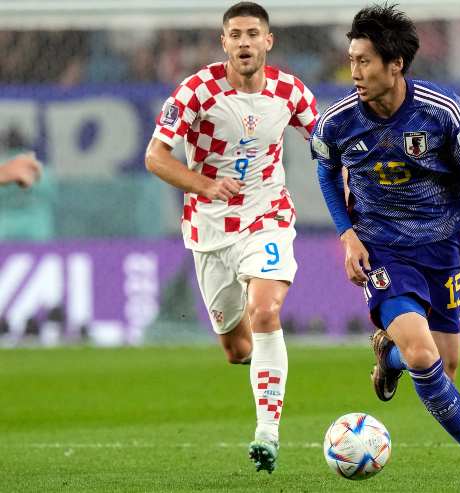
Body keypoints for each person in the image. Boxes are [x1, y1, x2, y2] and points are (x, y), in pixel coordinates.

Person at [311, 4, 460, 488]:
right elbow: (326, 172)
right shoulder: (337, 122)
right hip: (383, 249)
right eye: (351, 60)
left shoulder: (442, 110)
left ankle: (388, 356)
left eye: (364, 61)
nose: (354, 72)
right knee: (423, 355)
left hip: (442, 247)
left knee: (444, 366)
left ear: (395, 64)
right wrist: (347, 235)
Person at [144, 1, 317, 474]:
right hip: (210, 230)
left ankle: (267, 433)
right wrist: (204, 184)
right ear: (223, 43)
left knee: (265, 311)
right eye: (235, 35)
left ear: (268, 41)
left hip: (267, 216)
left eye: (252, 34)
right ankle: (265, 360)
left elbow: (327, 144)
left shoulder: (291, 92)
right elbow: (155, 157)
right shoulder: (196, 91)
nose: (244, 42)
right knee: (237, 348)